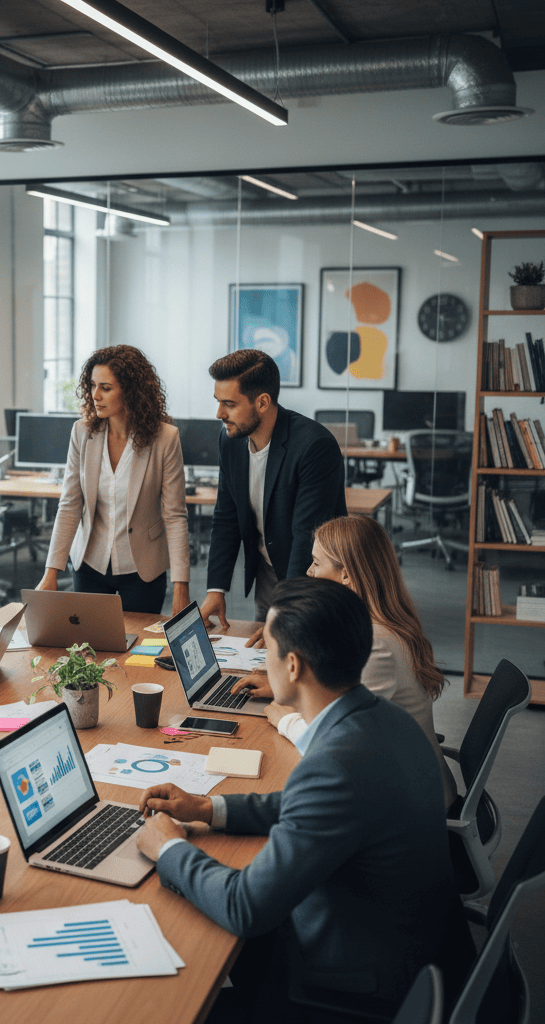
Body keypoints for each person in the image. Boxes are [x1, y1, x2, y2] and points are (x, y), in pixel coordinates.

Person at [136, 578, 468, 1019]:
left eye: (267, 649)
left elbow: (244, 906)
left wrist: (169, 849)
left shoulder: (336, 764)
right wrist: (208, 808)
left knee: (181, 983)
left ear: (292, 666)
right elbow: (312, 807)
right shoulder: (382, 720)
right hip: (417, 948)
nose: (262, 660)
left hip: (355, 987)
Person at [232, 515, 457, 806]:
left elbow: (341, 745)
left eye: (316, 563)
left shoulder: (376, 644)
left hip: (412, 803)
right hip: (400, 778)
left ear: (347, 575)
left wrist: (286, 719)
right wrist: (286, 685)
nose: (308, 572)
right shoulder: (370, 624)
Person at [35, 345, 190, 616]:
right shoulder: (82, 433)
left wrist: (182, 588)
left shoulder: (165, 439)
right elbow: (70, 505)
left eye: (106, 387)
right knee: (89, 649)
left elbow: (175, 516)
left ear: (131, 390)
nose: (95, 395)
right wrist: (51, 573)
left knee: (139, 653)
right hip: (90, 564)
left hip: (143, 568)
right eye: (93, 385)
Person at [200, 349, 346, 629]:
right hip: (267, 570)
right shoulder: (230, 440)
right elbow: (226, 516)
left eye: (229, 404)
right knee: (263, 660)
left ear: (263, 402)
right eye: (218, 402)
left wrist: (286, 612)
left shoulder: (314, 446)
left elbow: (306, 537)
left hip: (312, 578)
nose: (219, 414)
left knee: (302, 655)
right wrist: (215, 589)